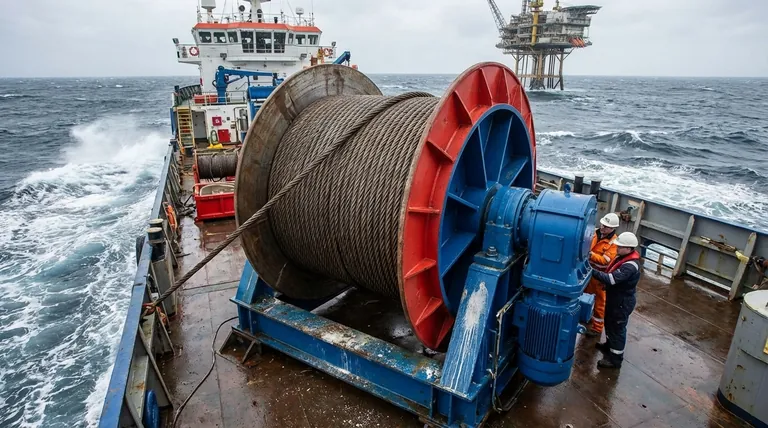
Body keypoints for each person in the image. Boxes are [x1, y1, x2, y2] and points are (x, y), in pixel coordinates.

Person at [591, 232, 641, 369]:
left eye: (620, 247)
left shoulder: (630, 266)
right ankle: (609, 346)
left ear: (629, 249)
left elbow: (611, 279)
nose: (617, 248)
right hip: (615, 299)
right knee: (610, 324)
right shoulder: (622, 257)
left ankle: (615, 359)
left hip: (622, 302)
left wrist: (592, 271)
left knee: (617, 329)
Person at [584, 213, 619, 337]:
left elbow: (605, 261)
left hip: (600, 277)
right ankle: (585, 315)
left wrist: (589, 254)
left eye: (607, 227)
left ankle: (597, 328)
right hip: (587, 271)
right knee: (586, 295)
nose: (603, 228)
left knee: (599, 302)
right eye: (603, 225)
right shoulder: (594, 232)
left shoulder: (614, 243)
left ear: (613, 228)